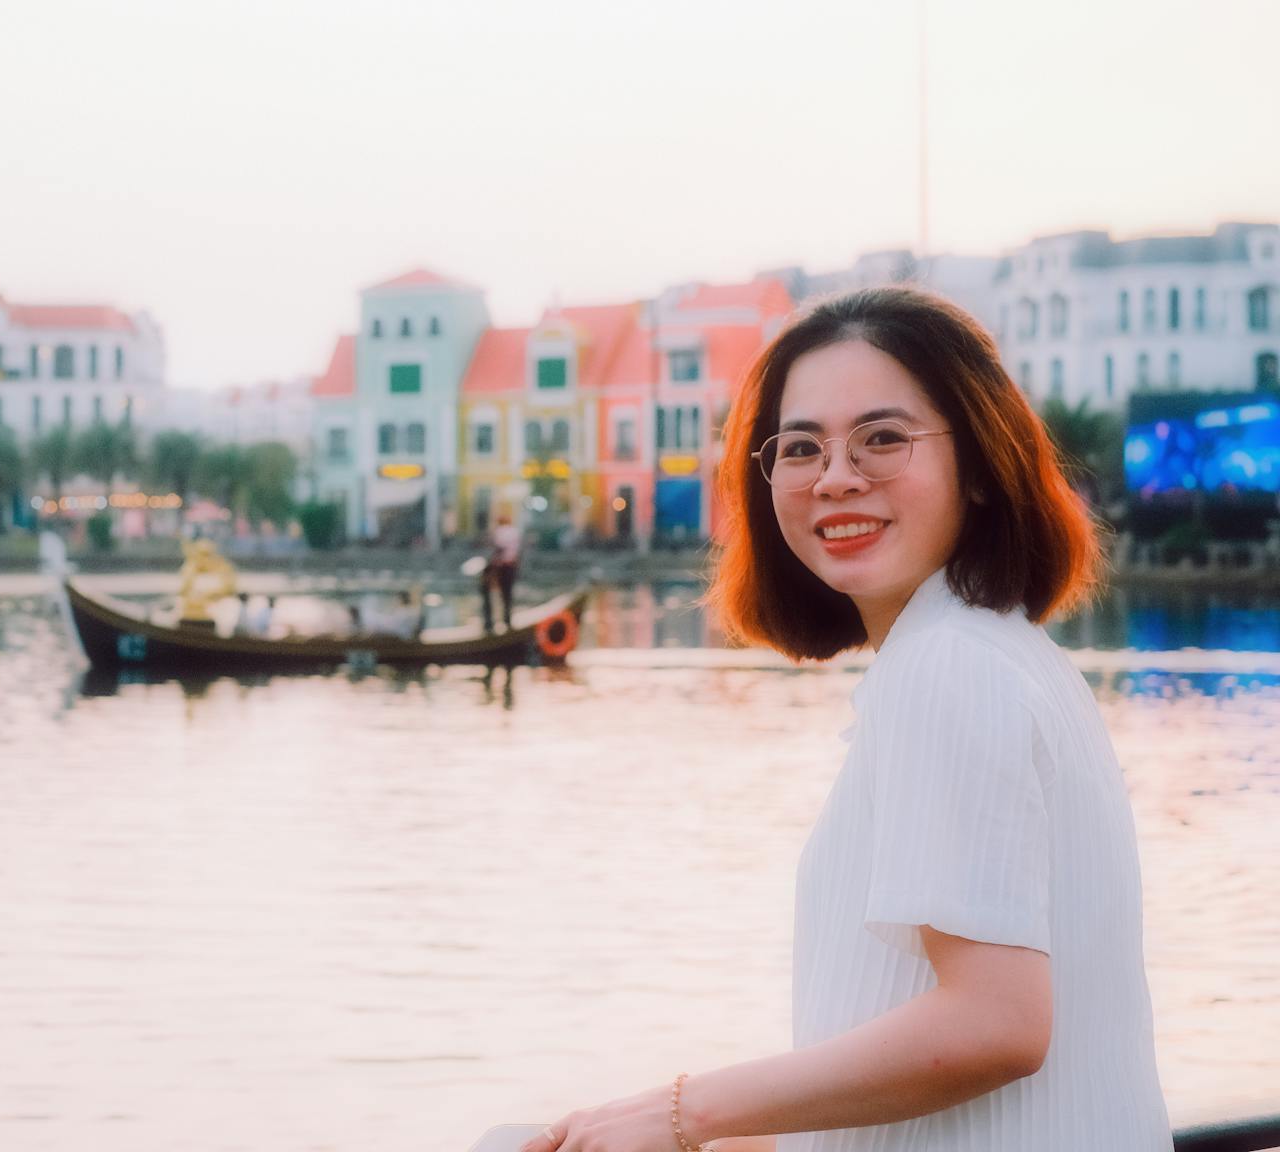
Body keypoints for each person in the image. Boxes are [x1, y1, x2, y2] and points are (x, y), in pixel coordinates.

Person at [520, 287, 1171, 1152]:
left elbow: (996, 1023)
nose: (835, 477)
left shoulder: (952, 667)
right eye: (801, 448)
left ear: (979, 465)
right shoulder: (998, 654)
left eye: (883, 438)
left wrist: (680, 1112)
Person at [481, 508, 522, 632]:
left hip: (498, 566)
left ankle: (489, 622)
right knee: (507, 594)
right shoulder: (515, 532)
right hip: (510, 566)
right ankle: (507, 620)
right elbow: (516, 551)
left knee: (486, 590)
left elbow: (499, 547)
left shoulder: (499, 531)